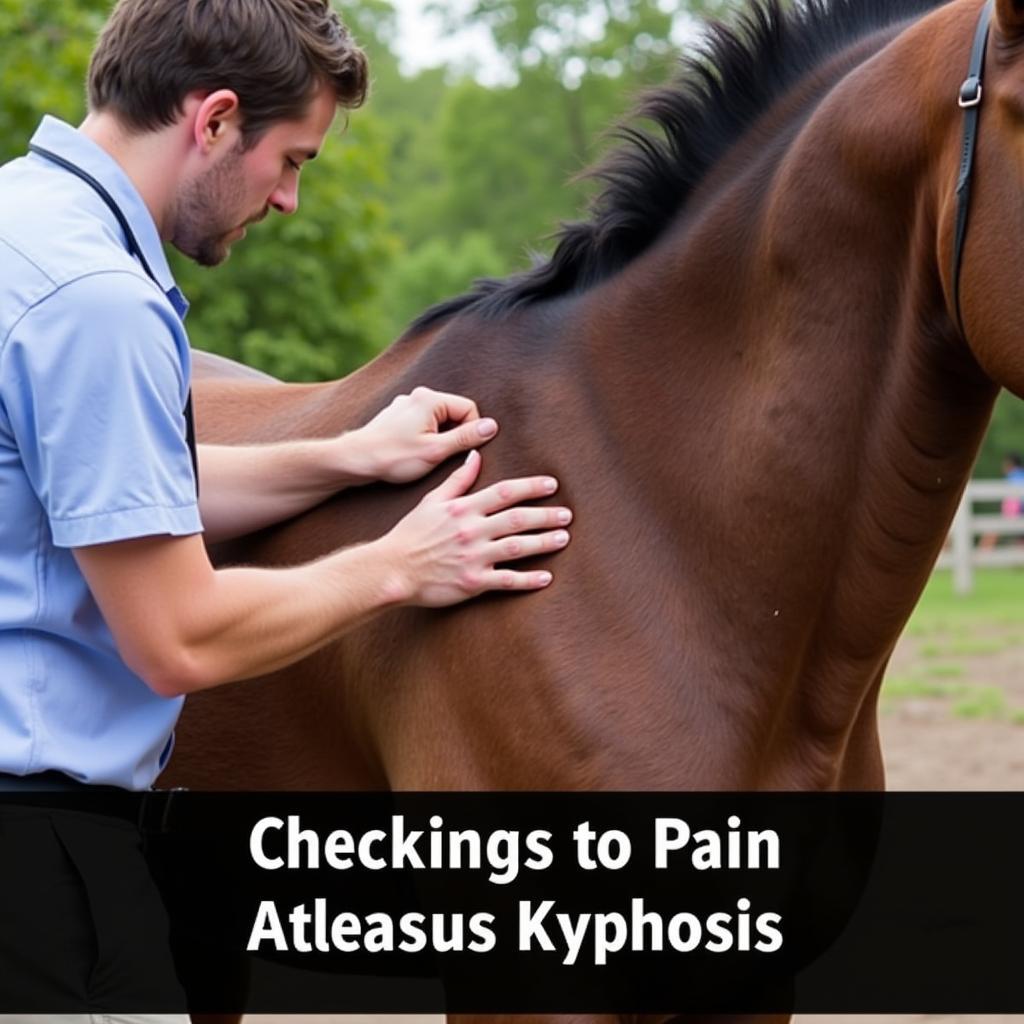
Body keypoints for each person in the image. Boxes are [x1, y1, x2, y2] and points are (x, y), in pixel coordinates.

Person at [0, 0, 571, 1013]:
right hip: (44, 859)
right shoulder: (95, 302)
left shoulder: (22, 229)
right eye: (292, 158)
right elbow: (179, 637)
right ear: (214, 121)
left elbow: (112, 491)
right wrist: (402, 563)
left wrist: (346, 455)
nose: (290, 200)